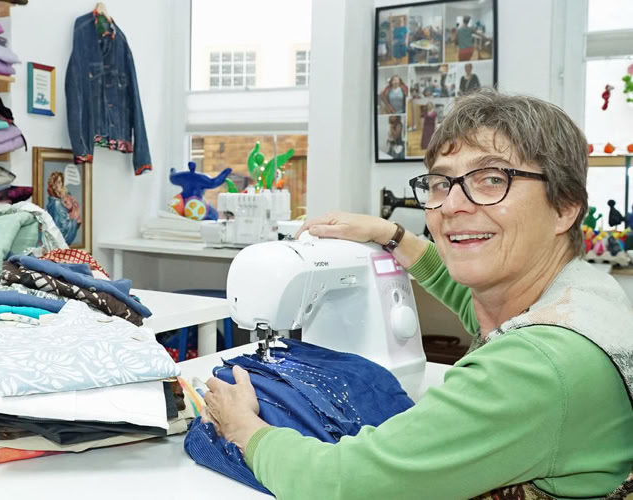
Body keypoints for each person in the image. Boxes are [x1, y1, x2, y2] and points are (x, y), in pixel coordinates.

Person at [201, 89, 633, 499]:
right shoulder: (581, 294)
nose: (451, 206)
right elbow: (471, 299)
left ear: (565, 207)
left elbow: (341, 485)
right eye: (442, 184)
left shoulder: (533, 367)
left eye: (491, 179)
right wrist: (391, 235)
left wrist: (245, 429)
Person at [45, 170, 81, 244]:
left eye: (61, 182)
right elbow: (63, 229)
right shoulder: (56, 203)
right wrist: (74, 222)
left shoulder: (63, 197)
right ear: (53, 185)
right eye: (58, 182)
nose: (61, 185)